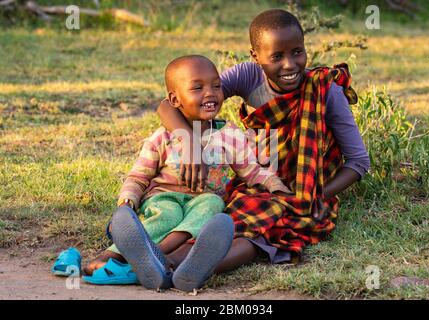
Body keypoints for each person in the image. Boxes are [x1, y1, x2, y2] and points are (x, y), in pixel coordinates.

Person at [155, 9, 370, 271]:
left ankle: (172, 265)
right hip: (255, 177)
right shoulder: (249, 76)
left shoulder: (325, 89)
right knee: (228, 218)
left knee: (263, 231)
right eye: (277, 56)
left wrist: (313, 196)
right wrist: (189, 144)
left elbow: (359, 161)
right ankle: (159, 261)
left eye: (297, 52)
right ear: (255, 57)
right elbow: (168, 105)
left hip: (305, 188)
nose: (290, 64)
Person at [84, 55, 292, 291]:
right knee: (167, 215)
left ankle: (156, 257)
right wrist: (127, 200)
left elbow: (251, 171)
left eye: (216, 86)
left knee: (212, 204)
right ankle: (110, 256)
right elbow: (138, 176)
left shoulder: (229, 135)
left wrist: (274, 183)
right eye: (197, 88)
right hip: (163, 197)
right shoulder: (162, 137)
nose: (210, 93)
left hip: (202, 200)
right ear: (175, 99)